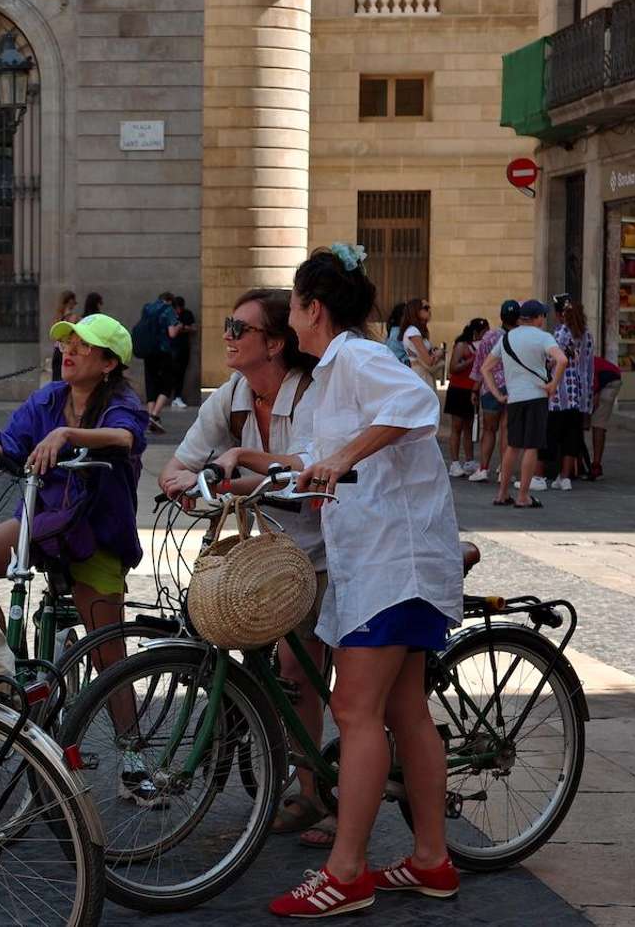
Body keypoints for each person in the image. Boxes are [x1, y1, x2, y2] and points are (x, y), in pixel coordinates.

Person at [266, 244, 465, 917]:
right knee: (405, 712)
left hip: (393, 564)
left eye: (292, 307)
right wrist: (248, 465)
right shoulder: (335, 370)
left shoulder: (355, 356)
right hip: (380, 563)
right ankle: (431, 860)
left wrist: (343, 455)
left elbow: (416, 404)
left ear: (312, 308)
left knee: (355, 712)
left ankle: (346, 870)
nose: (289, 320)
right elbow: (321, 462)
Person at [158, 288, 335, 848]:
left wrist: (234, 476)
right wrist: (182, 485)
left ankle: (316, 793)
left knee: (303, 673)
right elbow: (180, 462)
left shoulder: (310, 392)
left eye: (241, 327)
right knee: (272, 663)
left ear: (276, 343)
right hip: (272, 554)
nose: (228, 335)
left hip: (333, 549)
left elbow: (306, 476)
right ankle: (296, 771)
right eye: (228, 324)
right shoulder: (234, 393)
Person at [0, 312, 148, 735]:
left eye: (82, 346)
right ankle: (11, 672)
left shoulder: (121, 404)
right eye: (66, 344)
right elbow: (9, 441)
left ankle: (133, 757)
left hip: (97, 533)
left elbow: (126, 438)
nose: (69, 351)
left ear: (109, 363)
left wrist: (67, 435)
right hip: (42, 523)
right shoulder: (48, 399)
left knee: (107, 653)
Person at [484, 300, 566, 509]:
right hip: (536, 396)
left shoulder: (507, 338)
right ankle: (523, 496)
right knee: (531, 446)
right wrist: (552, 385)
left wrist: (497, 394)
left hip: (514, 398)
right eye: (543, 316)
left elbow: (486, 368)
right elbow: (562, 360)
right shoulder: (543, 337)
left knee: (512, 446)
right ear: (537, 317)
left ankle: (502, 494)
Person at [465, 301, 520, 484]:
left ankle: (483, 468)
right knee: (506, 429)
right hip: (512, 386)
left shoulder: (489, 337)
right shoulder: (520, 338)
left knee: (489, 430)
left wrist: (475, 388)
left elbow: (480, 363)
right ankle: (504, 471)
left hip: (490, 387)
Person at [546, 298, 594, 490]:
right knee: (570, 438)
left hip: (557, 395)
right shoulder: (587, 335)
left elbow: (551, 361)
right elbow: (588, 368)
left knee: (551, 436)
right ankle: (565, 477)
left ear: (560, 315)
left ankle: (540, 475)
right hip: (578, 395)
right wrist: (587, 400)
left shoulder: (559, 334)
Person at [444, 318, 487, 477]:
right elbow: (453, 368)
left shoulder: (481, 347)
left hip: (471, 391)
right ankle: (454, 462)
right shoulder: (462, 346)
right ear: (476, 332)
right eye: (483, 332)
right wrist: (471, 360)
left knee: (469, 426)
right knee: (457, 427)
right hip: (458, 389)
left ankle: (469, 460)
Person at [134, 292, 179, 433]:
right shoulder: (168, 310)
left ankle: (150, 417)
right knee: (167, 383)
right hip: (163, 351)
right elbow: (172, 333)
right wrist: (179, 327)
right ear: (170, 301)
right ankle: (154, 415)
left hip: (148, 351)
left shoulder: (147, 308)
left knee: (151, 383)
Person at [587, 354, 621, 480]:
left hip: (609, 382)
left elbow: (594, 380)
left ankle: (596, 465)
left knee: (598, 423)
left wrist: (595, 394)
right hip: (603, 379)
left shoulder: (583, 360)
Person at [398, 298, 443, 389]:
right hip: (420, 374)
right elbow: (429, 361)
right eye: (426, 308)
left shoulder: (417, 331)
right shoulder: (413, 331)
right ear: (416, 311)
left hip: (422, 373)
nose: (429, 311)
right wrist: (439, 353)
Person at [169, 294, 198, 409]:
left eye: (180, 308)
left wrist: (184, 328)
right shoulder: (169, 315)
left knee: (181, 373)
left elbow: (194, 328)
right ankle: (171, 397)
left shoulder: (187, 314)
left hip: (183, 347)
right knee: (172, 373)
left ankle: (177, 397)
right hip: (170, 348)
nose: (178, 310)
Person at [50, 290, 81, 382]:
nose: (74, 305)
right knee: (65, 379)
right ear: (70, 302)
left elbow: (54, 335)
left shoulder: (57, 316)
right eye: (74, 303)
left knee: (56, 379)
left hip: (57, 349)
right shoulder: (73, 317)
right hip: (66, 350)